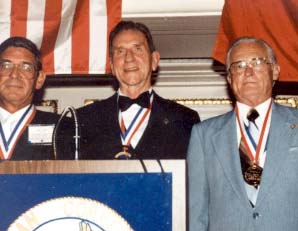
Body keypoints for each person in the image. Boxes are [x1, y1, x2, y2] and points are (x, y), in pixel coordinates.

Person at [187, 37, 298, 231]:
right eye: (239, 66)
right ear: (229, 79)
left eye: (257, 62)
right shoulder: (203, 136)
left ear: (276, 71)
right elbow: (196, 215)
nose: (248, 72)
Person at [77, 21, 200, 159]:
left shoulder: (185, 119)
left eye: (137, 49)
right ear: (112, 65)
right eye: (120, 51)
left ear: (154, 60)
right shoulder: (83, 119)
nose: (129, 58)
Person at [0, 36, 67, 160]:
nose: (14, 74)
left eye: (26, 67)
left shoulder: (64, 128)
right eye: (6, 66)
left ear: (39, 79)